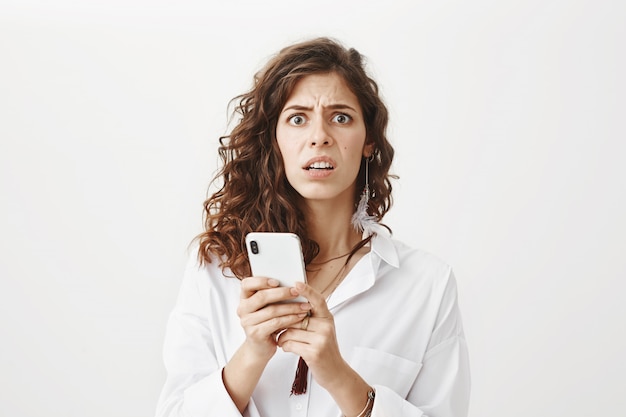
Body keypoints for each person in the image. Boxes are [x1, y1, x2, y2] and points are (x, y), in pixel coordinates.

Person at [155, 37, 470, 417]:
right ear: (275, 139)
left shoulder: (427, 286)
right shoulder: (215, 268)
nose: (319, 136)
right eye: (297, 118)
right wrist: (254, 352)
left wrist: (336, 373)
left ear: (368, 140)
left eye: (341, 117)